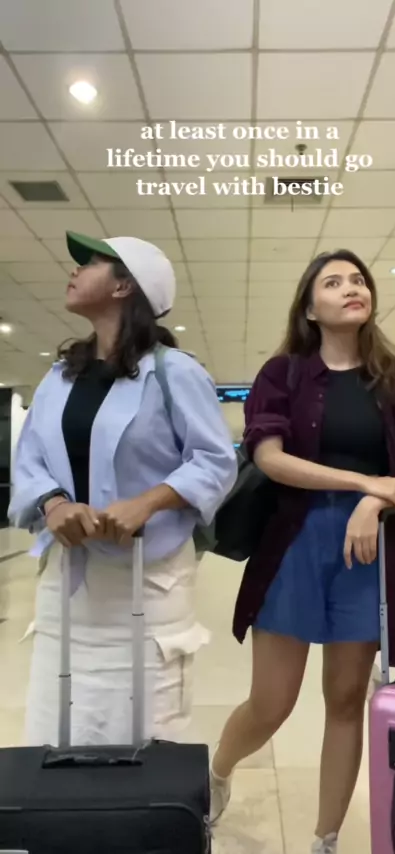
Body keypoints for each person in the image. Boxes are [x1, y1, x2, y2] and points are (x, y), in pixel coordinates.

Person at [209, 249, 395, 854]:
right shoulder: (283, 374)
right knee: (271, 703)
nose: (351, 288)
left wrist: (377, 504)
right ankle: (218, 772)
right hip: (295, 542)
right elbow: (269, 457)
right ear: (310, 309)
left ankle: (325, 839)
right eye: (333, 282)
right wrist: (368, 485)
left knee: (344, 699)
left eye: (358, 279)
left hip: (369, 551)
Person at [9, 230, 237, 746]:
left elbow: (215, 460)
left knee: (144, 731)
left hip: (147, 585)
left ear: (124, 286)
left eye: (90, 263)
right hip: (68, 586)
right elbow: (31, 460)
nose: (74, 270)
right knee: (56, 727)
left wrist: (148, 502)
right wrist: (53, 503)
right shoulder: (59, 378)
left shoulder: (174, 373)